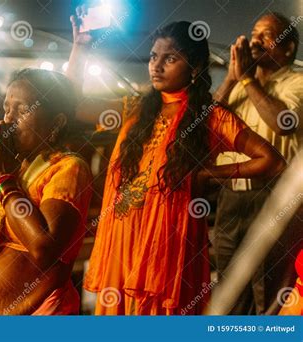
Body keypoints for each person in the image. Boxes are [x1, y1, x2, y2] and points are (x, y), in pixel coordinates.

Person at [67, 16, 286, 315]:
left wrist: (210, 174)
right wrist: (80, 49)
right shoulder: (134, 108)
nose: (156, 66)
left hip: (166, 243)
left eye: (170, 58)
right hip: (124, 234)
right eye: (154, 56)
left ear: (194, 67)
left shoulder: (211, 117)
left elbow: (272, 160)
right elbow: (73, 106)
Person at [0, 68, 93, 315]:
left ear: (56, 123)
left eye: (22, 111)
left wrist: (3, 181)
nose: (8, 120)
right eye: (6, 109)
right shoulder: (9, 170)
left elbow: (43, 248)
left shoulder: (67, 168)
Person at [213, 12, 303, 314]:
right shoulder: (239, 85)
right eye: (253, 33)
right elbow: (206, 123)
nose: (255, 40)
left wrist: (249, 79)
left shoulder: (297, 82)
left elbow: (284, 122)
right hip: (231, 199)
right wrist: (231, 77)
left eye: (266, 35)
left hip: (275, 199)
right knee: (230, 292)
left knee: (269, 295)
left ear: (288, 48)